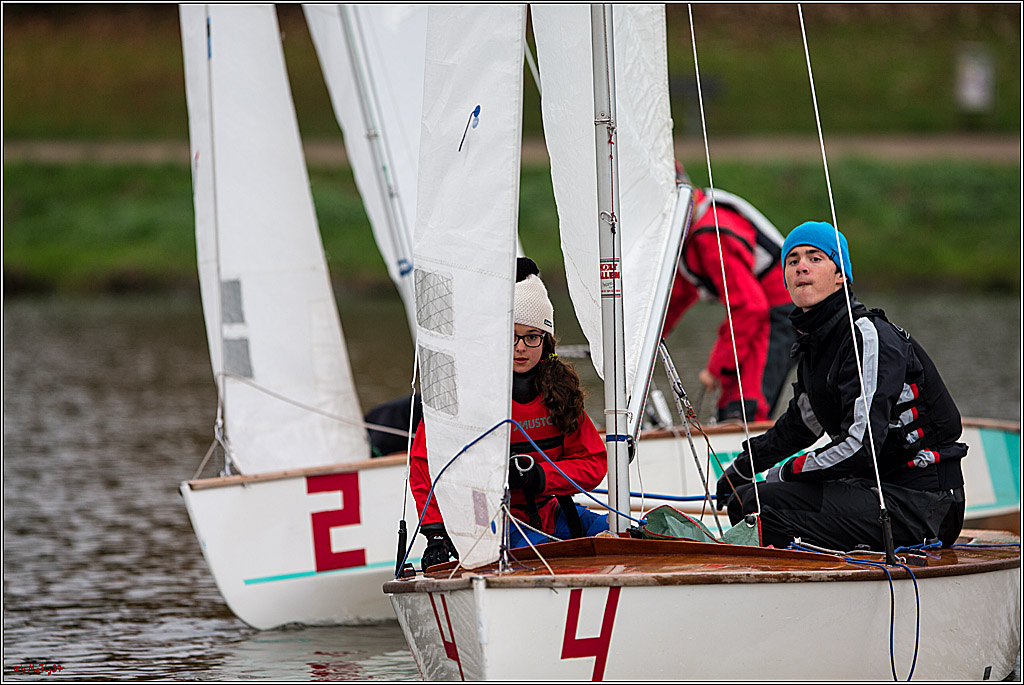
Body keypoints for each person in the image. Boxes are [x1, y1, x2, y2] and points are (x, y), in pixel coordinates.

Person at [715, 221, 967, 552]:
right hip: (871, 489)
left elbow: (862, 445)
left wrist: (787, 471)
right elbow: (801, 425)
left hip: (923, 503)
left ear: (840, 275)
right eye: (792, 261)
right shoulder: (816, 345)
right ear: (786, 280)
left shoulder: (867, 336)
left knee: (761, 505)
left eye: (815, 258)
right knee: (744, 501)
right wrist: (743, 466)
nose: (801, 266)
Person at [410, 257, 610, 570]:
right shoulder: (465, 396)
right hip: (494, 526)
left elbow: (593, 463)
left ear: (546, 342)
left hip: (553, 513)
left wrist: (540, 476)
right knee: (548, 557)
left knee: (633, 532)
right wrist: (435, 532)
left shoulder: (561, 394)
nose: (521, 347)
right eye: (512, 336)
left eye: (532, 337)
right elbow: (424, 463)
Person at [664, 163, 797, 422]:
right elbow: (680, 294)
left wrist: (716, 368)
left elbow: (750, 306)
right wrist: (638, 347)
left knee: (743, 407)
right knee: (731, 405)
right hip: (764, 313)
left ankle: (748, 456)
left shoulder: (709, 235)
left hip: (779, 313)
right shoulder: (689, 234)